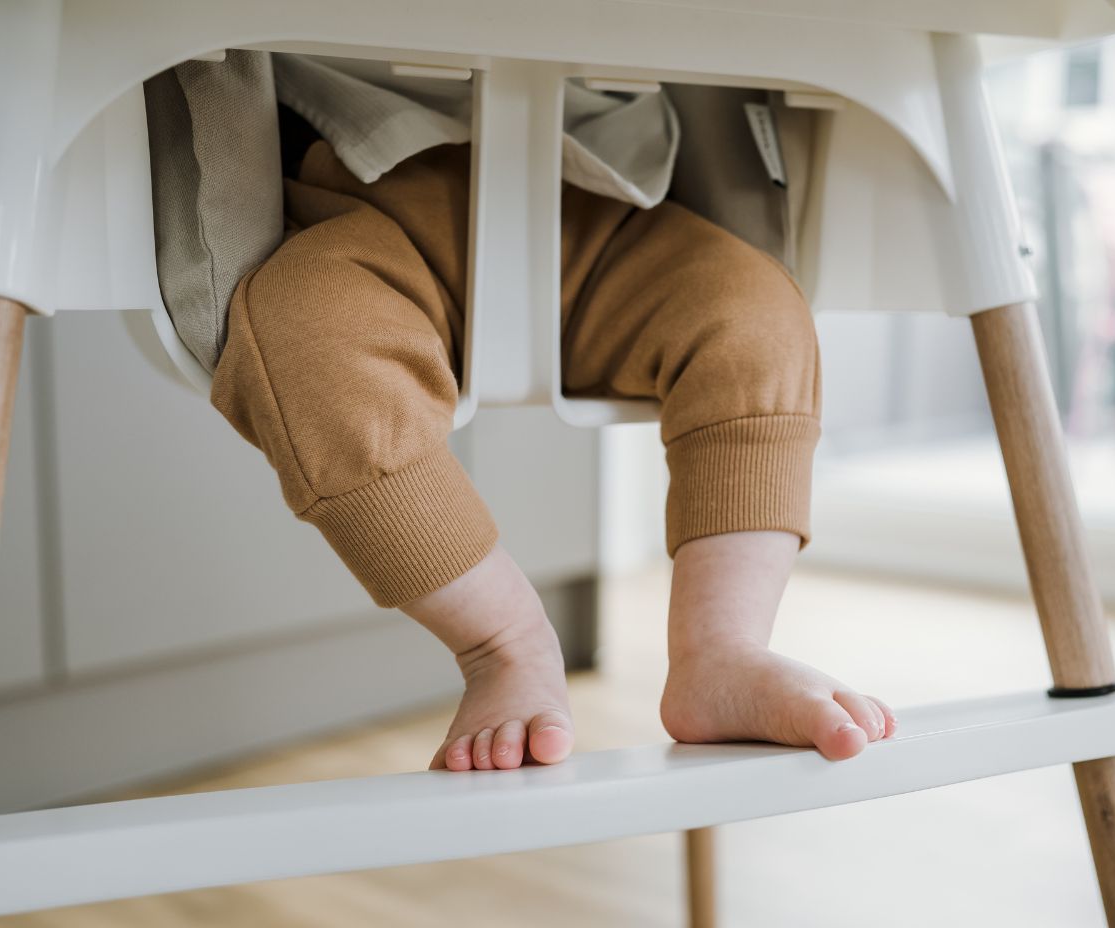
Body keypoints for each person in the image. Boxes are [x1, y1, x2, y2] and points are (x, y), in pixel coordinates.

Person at [204, 54, 896, 771]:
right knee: (304, 333)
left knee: (757, 315)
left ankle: (723, 648)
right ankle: (503, 642)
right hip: (354, 202)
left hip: (598, 197)